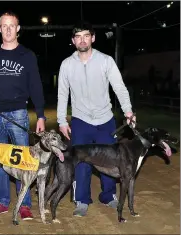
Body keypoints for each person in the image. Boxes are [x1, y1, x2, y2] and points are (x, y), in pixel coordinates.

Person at [56, 21, 136, 217]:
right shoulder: (66, 65)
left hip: (105, 120)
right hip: (80, 121)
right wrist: (61, 121)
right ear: (73, 41)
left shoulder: (106, 60)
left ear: (93, 38)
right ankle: (82, 200)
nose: (82, 40)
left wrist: (128, 110)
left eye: (86, 36)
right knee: (81, 161)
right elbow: (62, 94)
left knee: (110, 161)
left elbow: (119, 87)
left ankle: (108, 196)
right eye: (78, 37)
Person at [0, 11, 46, 220]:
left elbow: (35, 86)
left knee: (22, 161)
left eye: (11, 26)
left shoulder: (27, 55)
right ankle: (2, 201)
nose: (7, 29)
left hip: (18, 114)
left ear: (18, 29)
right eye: (4, 26)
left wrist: (40, 115)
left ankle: (24, 204)